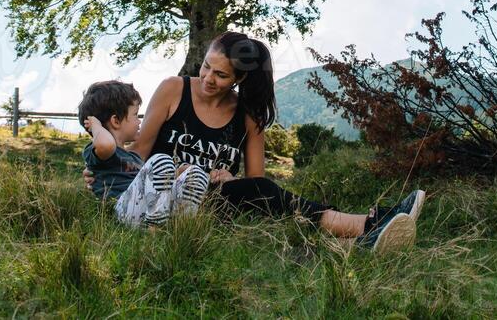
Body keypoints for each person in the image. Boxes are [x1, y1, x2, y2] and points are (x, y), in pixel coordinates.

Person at [82, 32, 426, 253]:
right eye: (206, 67)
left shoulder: (247, 114)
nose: (207, 79)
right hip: (160, 200)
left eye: (220, 75)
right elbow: (139, 153)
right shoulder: (173, 89)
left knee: (261, 191)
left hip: (210, 203)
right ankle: (367, 225)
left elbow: (255, 178)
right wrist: (104, 172)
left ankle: (363, 231)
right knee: (268, 194)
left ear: (239, 79)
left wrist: (229, 179)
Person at [78, 78, 210, 227]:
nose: (139, 121)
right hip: (121, 210)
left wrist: (179, 173)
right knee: (161, 159)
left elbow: (154, 184)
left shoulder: (134, 157)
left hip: (144, 209)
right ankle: (155, 228)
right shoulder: (101, 151)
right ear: (115, 121)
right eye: (135, 115)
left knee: (196, 174)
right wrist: (96, 126)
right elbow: (106, 144)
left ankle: (181, 227)